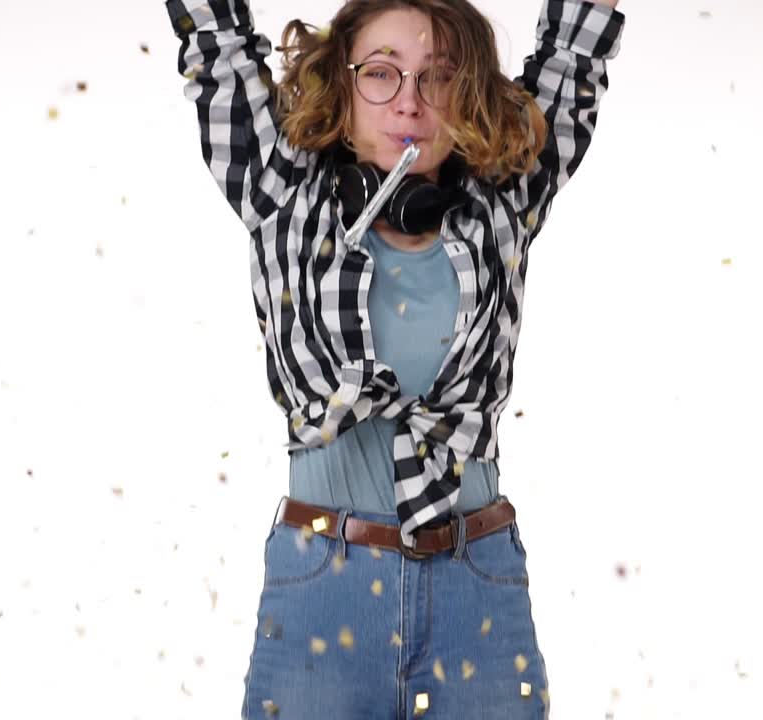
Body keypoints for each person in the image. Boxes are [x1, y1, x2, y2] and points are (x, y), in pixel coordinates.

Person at [163, 0, 623, 716]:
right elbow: (218, 48)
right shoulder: (281, 193)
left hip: (479, 580)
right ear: (341, 89)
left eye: (438, 78)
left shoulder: (504, 199)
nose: (408, 101)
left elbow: (572, 57)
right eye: (381, 73)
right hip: (322, 581)